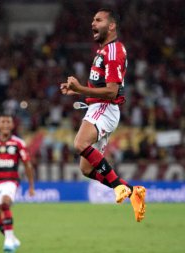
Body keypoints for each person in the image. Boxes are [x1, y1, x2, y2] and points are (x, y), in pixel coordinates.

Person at [60, 7, 146, 222]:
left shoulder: (114, 51)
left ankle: (118, 186)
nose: (93, 24)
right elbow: (101, 85)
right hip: (97, 106)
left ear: (112, 25)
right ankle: (132, 191)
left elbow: (111, 91)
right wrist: (78, 92)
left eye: (98, 20)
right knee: (86, 169)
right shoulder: (104, 50)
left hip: (105, 107)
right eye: (92, 20)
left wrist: (81, 90)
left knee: (79, 144)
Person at [0, 114, 35, 252]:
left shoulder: (18, 143)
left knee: (5, 202)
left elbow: (27, 165)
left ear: (12, 125)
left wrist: (31, 186)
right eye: (2, 121)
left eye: (8, 122)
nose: (5, 124)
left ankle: (8, 241)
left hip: (11, 181)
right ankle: (11, 237)